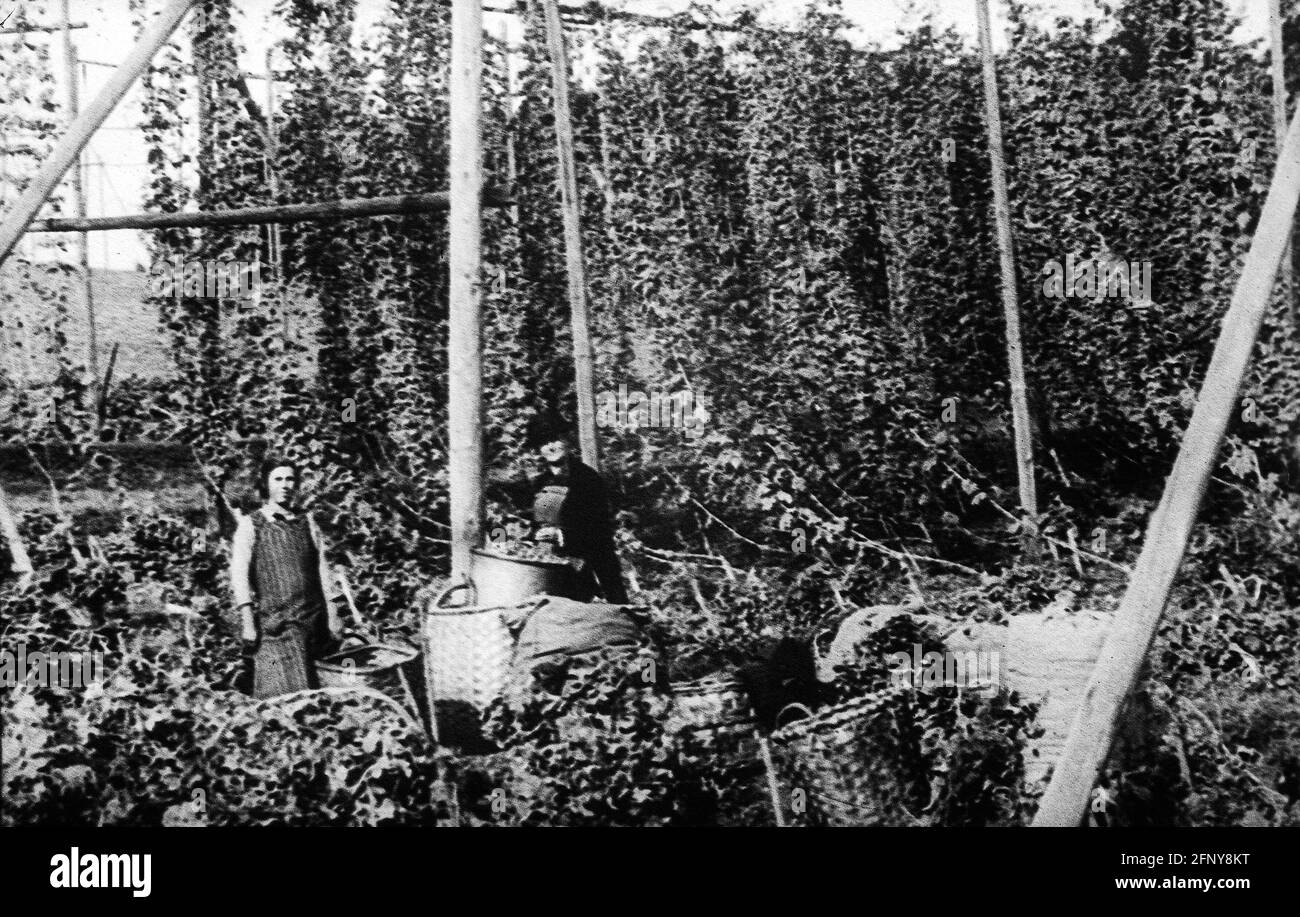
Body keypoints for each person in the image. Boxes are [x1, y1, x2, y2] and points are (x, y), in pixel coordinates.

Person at [229, 459, 344, 699]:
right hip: (277, 625)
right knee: (281, 697)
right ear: (266, 484)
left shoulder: (307, 522)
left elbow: (324, 570)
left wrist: (333, 615)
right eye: (278, 479)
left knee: (324, 698)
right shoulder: (251, 526)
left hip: (314, 624)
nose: (285, 485)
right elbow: (239, 577)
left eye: (290, 479)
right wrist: (248, 624)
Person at [527, 421, 630, 605]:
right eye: (544, 443)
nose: (551, 446)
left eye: (555, 440)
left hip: (593, 565)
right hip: (555, 569)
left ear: (566, 442)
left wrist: (560, 535)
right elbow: (530, 525)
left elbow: (599, 529)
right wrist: (533, 535)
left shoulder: (588, 479)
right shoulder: (539, 483)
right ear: (538, 450)